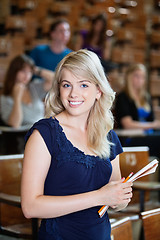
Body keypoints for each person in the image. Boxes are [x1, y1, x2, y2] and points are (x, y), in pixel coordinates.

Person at [21, 49, 132, 240]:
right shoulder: (44, 134)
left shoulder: (108, 136)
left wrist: (121, 197)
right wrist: (99, 197)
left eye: (83, 85)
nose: (74, 94)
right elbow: (30, 207)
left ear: (98, 91)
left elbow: (115, 199)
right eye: (67, 85)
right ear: (59, 88)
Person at [114, 63, 160, 157]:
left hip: (148, 135)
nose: (140, 80)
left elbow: (151, 119)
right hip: (131, 137)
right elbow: (128, 124)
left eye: (142, 77)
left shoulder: (146, 97)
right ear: (129, 77)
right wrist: (153, 125)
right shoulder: (122, 97)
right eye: (136, 76)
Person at [0, 54, 54, 128]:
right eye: (23, 71)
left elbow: (55, 80)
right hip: (25, 136)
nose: (27, 76)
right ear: (14, 72)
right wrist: (17, 99)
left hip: (44, 131)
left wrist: (36, 70)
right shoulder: (5, 98)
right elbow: (14, 125)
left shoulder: (33, 87)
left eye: (30, 72)